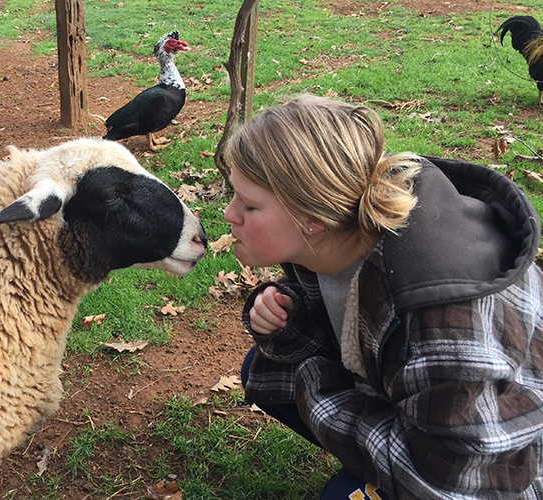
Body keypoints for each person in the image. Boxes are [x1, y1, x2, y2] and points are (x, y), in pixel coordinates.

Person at [223, 94, 543, 500]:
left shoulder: (439, 316)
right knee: (264, 366)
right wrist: (294, 317)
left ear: (312, 219)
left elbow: (451, 479)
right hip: (440, 418)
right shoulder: (345, 224)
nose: (229, 214)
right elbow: (350, 317)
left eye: (249, 206)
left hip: (503, 472)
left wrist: (314, 382)